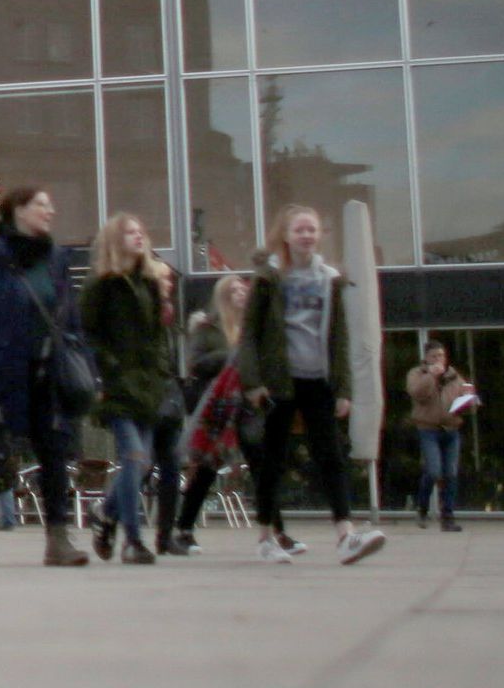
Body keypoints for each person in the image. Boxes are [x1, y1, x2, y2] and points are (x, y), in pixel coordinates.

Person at [236, 204, 388, 565]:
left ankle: (345, 534)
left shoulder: (329, 279)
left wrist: (344, 388)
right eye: (299, 229)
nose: (306, 235)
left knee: (331, 455)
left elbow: (340, 336)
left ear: (320, 236)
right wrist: (254, 382)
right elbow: (248, 336)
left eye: (312, 230)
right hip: (279, 382)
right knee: (274, 458)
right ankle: (265, 537)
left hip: (318, 380)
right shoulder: (269, 278)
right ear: (286, 236)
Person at [0, 187, 89, 567]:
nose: (50, 210)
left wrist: (84, 365)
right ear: (18, 210)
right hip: (3, 374)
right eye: (41, 205)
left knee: (54, 452)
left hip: (50, 371)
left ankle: (58, 539)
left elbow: (70, 319)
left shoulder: (57, 259)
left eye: (50, 203)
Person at [80, 214, 179, 567]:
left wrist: (161, 375)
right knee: (134, 458)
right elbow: (88, 334)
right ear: (114, 240)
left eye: (141, 231)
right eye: (130, 233)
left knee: (142, 462)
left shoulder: (150, 282)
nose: (138, 237)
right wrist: (104, 374)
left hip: (148, 386)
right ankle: (133, 541)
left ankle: (106, 514)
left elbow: (158, 339)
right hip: (117, 385)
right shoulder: (102, 284)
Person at [170, 273, 253, 552]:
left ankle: (275, 530)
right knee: (206, 468)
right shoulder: (208, 327)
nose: (241, 294)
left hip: (248, 405)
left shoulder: (253, 327)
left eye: (244, 289)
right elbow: (195, 363)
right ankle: (184, 527)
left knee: (264, 462)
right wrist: (230, 357)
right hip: (218, 407)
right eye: (234, 291)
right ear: (223, 296)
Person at [407, 340, 473, 531]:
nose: (439, 360)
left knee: (451, 473)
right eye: (434, 356)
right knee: (434, 470)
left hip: (451, 430)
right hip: (428, 430)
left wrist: (470, 400)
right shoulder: (416, 374)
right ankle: (422, 508)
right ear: (426, 358)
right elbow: (416, 392)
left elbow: (467, 407)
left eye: (441, 356)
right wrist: (431, 376)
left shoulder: (454, 376)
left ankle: (448, 517)